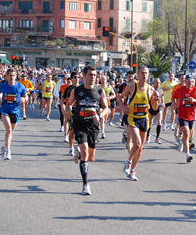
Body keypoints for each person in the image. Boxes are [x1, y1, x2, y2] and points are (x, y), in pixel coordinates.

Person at [64, 67, 109, 195]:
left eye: (94, 75)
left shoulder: (100, 90)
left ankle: (78, 154)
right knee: (85, 152)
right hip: (79, 123)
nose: (93, 77)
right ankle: (85, 184)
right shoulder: (77, 90)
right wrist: (68, 113)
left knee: (91, 158)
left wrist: (99, 116)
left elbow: (106, 108)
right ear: (84, 76)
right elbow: (68, 104)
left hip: (93, 125)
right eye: (90, 75)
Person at [118, 66, 159, 180]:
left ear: (148, 75)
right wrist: (123, 107)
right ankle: (128, 161)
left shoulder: (151, 89)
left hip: (143, 119)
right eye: (142, 73)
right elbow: (120, 97)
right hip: (132, 118)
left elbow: (154, 108)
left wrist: (156, 99)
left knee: (140, 148)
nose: (144, 75)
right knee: (137, 142)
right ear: (138, 74)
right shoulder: (132, 86)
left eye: (146, 73)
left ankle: (132, 171)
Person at [171, 75, 196, 162]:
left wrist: (194, 100)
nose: (190, 83)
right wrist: (174, 105)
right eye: (188, 81)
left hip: (192, 116)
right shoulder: (180, 90)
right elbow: (173, 97)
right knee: (186, 132)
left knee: (188, 134)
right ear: (185, 82)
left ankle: (181, 141)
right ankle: (187, 154)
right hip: (182, 115)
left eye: (191, 82)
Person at [0, 69, 27, 160]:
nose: (12, 77)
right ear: (7, 76)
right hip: (5, 110)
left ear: (16, 76)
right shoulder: (3, 86)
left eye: (13, 75)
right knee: (9, 129)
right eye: (10, 75)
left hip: (15, 112)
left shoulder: (20, 86)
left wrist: (24, 99)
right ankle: (8, 151)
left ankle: (5, 147)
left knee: (10, 132)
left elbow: (25, 96)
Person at [147, 77, 164, 144]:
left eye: (159, 82)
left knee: (159, 122)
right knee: (150, 123)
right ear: (153, 83)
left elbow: (162, 96)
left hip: (159, 107)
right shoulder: (150, 90)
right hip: (151, 108)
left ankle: (157, 137)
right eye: (156, 82)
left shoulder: (161, 90)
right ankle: (148, 135)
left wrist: (163, 102)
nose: (158, 84)